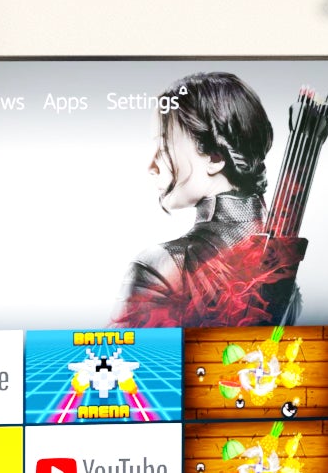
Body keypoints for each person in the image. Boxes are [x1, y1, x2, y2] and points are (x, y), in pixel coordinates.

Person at [117, 71, 303, 327]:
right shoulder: (281, 270)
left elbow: (122, 361)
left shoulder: (163, 266)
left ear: (215, 157)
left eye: (164, 146)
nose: (151, 165)